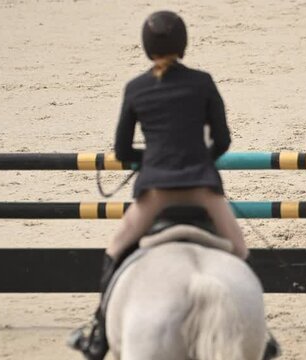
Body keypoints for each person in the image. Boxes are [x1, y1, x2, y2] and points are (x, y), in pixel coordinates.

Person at [72, 10, 249, 359]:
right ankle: (264, 332)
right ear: (183, 44)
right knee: (240, 251)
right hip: (202, 187)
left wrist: (152, 160)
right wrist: (199, 157)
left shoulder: (136, 88)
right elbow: (224, 141)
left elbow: (122, 150)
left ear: (146, 47)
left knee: (115, 248)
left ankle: (97, 331)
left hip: (155, 192)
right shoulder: (203, 82)